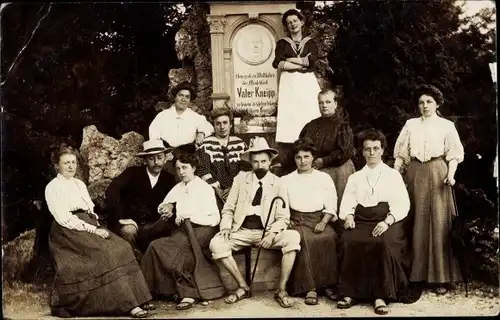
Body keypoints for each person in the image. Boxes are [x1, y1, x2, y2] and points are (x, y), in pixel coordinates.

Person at [45, 144, 152, 318]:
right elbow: (64, 217)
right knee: (106, 253)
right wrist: (93, 230)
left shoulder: (79, 184)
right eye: (66, 163)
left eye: (73, 162)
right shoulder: (53, 187)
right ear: (57, 165)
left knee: (122, 247)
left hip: (89, 224)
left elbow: (89, 209)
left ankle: (138, 298)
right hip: (68, 231)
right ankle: (128, 305)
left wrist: (96, 225)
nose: (71, 166)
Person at [209, 137, 301, 308]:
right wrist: (226, 227)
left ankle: (281, 289)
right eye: (256, 162)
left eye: (264, 161)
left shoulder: (278, 183)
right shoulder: (240, 179)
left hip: (266, 232)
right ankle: (243, 286)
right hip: (241, 230)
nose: (260, 166)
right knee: (216, 244)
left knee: (293, 238)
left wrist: (272, 234)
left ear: (270, 161)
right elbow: (228, 209)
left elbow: (283, 217)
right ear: (250, 162)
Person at [393, 84, 464, 294]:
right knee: (415, 222)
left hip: (438, 173)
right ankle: (416, 275)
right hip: (414, 173)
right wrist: (396, 176)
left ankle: (440, 278)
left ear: (437, 103)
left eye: (429, 102)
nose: (425, 106)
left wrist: (450, 175)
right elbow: (401, 154)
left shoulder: (447, 126)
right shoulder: (410, 125)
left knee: (439, 223)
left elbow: (454, 154)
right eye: (421, 102)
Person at [337, 129, 412, 315]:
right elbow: (348, 201)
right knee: (349, 240)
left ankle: (380, 295)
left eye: (375, 148)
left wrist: (387, 221)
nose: (371, 153)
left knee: (382, 243)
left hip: (387, 220)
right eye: (367, 149)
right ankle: (350, 293)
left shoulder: (393, 175)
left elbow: (403, 203)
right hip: (361, 219)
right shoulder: (355, 177)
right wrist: (348, 216)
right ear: (362, 152)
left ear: (382, 150)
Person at [140, 152, 221, 310]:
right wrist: (166, 207)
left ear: (194, 168)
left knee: (180, 252)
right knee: (155, 246)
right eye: (178, 169)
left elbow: (214, 219)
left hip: (202, 231)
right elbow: (166, 203)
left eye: (185, 168)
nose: (181, 172)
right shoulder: (179, 187)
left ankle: (189, 294)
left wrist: (188, 217)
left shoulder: (204, 188)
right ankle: (151, 292)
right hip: (183, 232)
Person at [281, 137, 339, 305]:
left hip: (319, 219)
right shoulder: (286, 180)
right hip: (297, 220)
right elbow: (282, 205)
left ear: (313, 157)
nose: (303, 161)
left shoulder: (323, 178)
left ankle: (328, 284)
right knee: (305, 240)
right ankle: (309, 288)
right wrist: (287, 220)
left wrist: (324, 221)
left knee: (330, 237)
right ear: (294, 159)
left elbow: (331, 202)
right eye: (299, 157)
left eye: (306, 157)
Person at [105, 139, 177, 256]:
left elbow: (175, 199)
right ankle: (132, 261)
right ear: (145, 160)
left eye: (159, 157)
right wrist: (120, 217)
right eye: (151, 158)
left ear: (165, 158)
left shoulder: (169, 179)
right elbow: (112, 190)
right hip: (130, 222)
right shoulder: (132, 173)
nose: (156, 162)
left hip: (154, 224)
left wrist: (171, 206)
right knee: (129, 231)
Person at [299, 87, 356, 212]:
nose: (324, 105)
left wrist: (324, 161)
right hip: (313, 168)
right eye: (321, 102)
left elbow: (344, 151)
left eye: (328, 102)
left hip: (336, 169)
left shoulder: (342, 125)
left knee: (338, 203)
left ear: (335, 104)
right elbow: (300, 147)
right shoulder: (311, 125)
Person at [272, 8, 321, 144]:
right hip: (289, 81)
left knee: (309, 110)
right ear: (286, 26)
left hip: (307, 80)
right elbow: (278, 63)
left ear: (301, 22)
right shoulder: (282, 43)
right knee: (291, 113)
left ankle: (311, 142)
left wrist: (289, 60)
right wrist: (300, 65)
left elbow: (311, 61)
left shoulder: (310, 43)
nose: (293, 24)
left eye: (295, 20)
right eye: (289, 23)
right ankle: (292, 146)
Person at [197, 106, 250, 209]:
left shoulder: (240, 144)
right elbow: (203, 170)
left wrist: (233, 188)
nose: (222, 127)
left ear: (230, 124)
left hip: (238, 189)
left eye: (225, 123)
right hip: (213, 192)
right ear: (214, 126)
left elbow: (246, 168)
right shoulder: (206, 145)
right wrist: (217, 189)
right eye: (218, 123)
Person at [149, 81, 214, 149]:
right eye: (180, 95)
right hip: (165, 153)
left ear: (190, 100)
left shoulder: (195, 117)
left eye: (187, 97)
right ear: (175, 97)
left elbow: (209, 128)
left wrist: (201, 133)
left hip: (186, 154)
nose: (183, 99)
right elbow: (153, 134)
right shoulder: (162, 116)